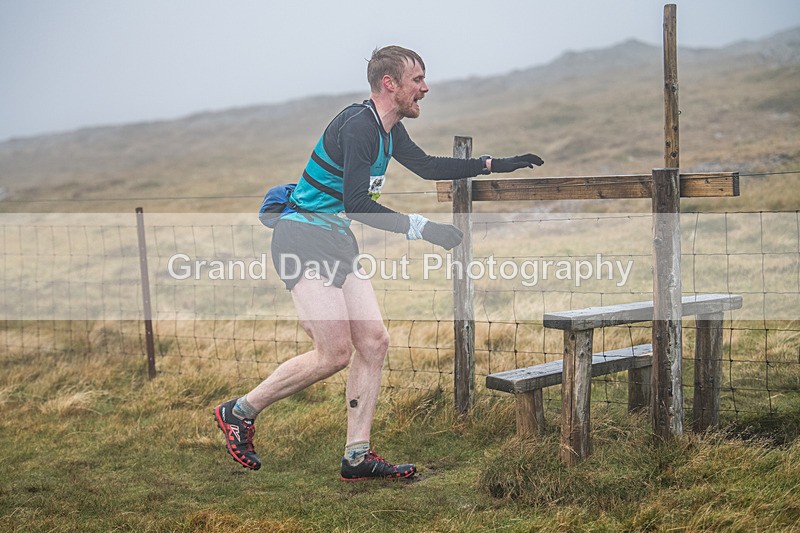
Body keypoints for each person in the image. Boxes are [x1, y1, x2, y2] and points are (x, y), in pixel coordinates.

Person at [214, 45, 543, 481]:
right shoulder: (358, 127)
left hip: (336, 241)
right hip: (303, 238)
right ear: (390, 83)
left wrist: (492, 164)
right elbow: (357, 202)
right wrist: (423, 228)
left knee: (374, 341)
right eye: (417, 80)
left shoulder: (389, 130)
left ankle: (357, 456)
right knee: (332, 353)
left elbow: (426, 166)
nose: (425, 88)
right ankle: (238, 412)